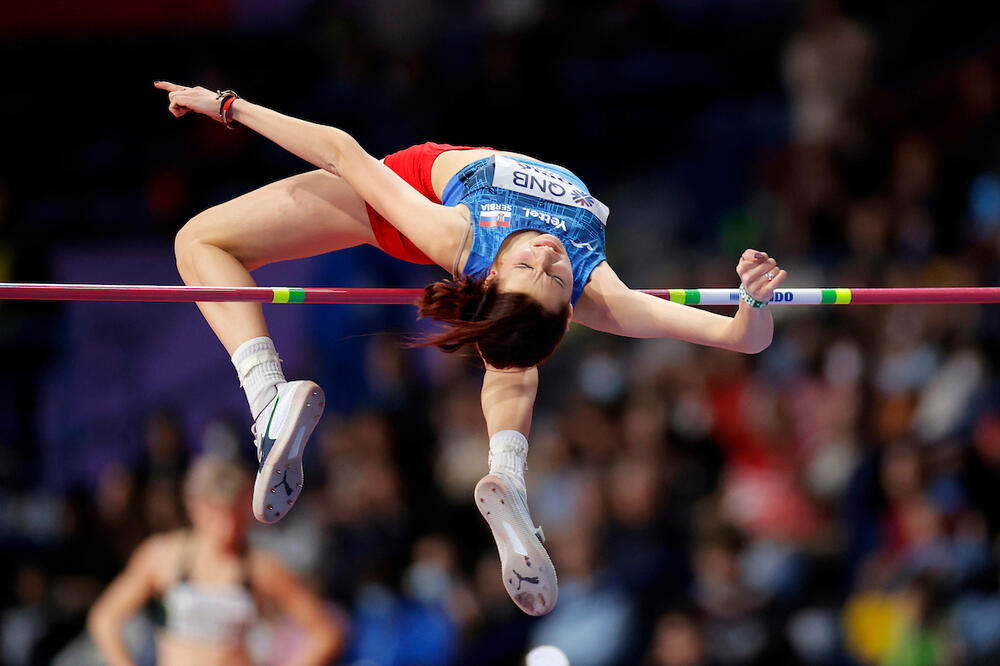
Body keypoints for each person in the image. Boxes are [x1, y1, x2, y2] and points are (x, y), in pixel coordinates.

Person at [155, 81, 789, 615]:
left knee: (199, 243)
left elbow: (345, 154)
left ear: (488, 274)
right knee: (514, 338)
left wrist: (230, 106)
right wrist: (751, 301)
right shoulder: (599, 291)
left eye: (538, 270)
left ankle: (268, 396)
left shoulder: (461, 239)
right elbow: (743, 338)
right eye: (554, 274)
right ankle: (506, 476)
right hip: (439, 215)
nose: (549, 255)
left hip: (414, 195)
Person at [87, 454, 344, 666]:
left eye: (236, 518)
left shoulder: (259, 566)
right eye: (217, 516)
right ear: (195, 507)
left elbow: (326, 632)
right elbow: (105, 618)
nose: (228, 529)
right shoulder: (162, 556)